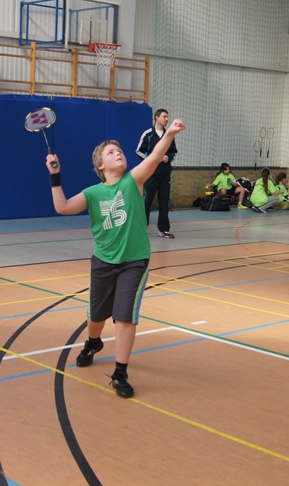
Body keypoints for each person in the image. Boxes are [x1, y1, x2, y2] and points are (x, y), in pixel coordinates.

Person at [46, 118, 186, 399]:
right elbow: (62, 207)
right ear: (101, 166)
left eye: (119, 150)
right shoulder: (93, 193)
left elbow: (155, 156)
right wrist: (55, 175)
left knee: (125, 317)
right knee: (96, 315)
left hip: (134, 261)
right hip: (103, 261)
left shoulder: (134, 180)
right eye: (111, 152)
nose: (118, 153)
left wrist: (169, 133)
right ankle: (93, 342)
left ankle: (120, 373)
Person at [135, 108, 178, 239]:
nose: (167, 119)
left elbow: (173, 152)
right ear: (157, 117)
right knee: (146, 201)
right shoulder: (148, 134)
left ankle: (163, 229)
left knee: (164, 201)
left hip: (165, 174)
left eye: (167, 117)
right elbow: (139, 151)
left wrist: (168, 157)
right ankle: (141, 229)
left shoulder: (169, 135)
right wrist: (153, 158)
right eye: (164, 116)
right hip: (150, 174)